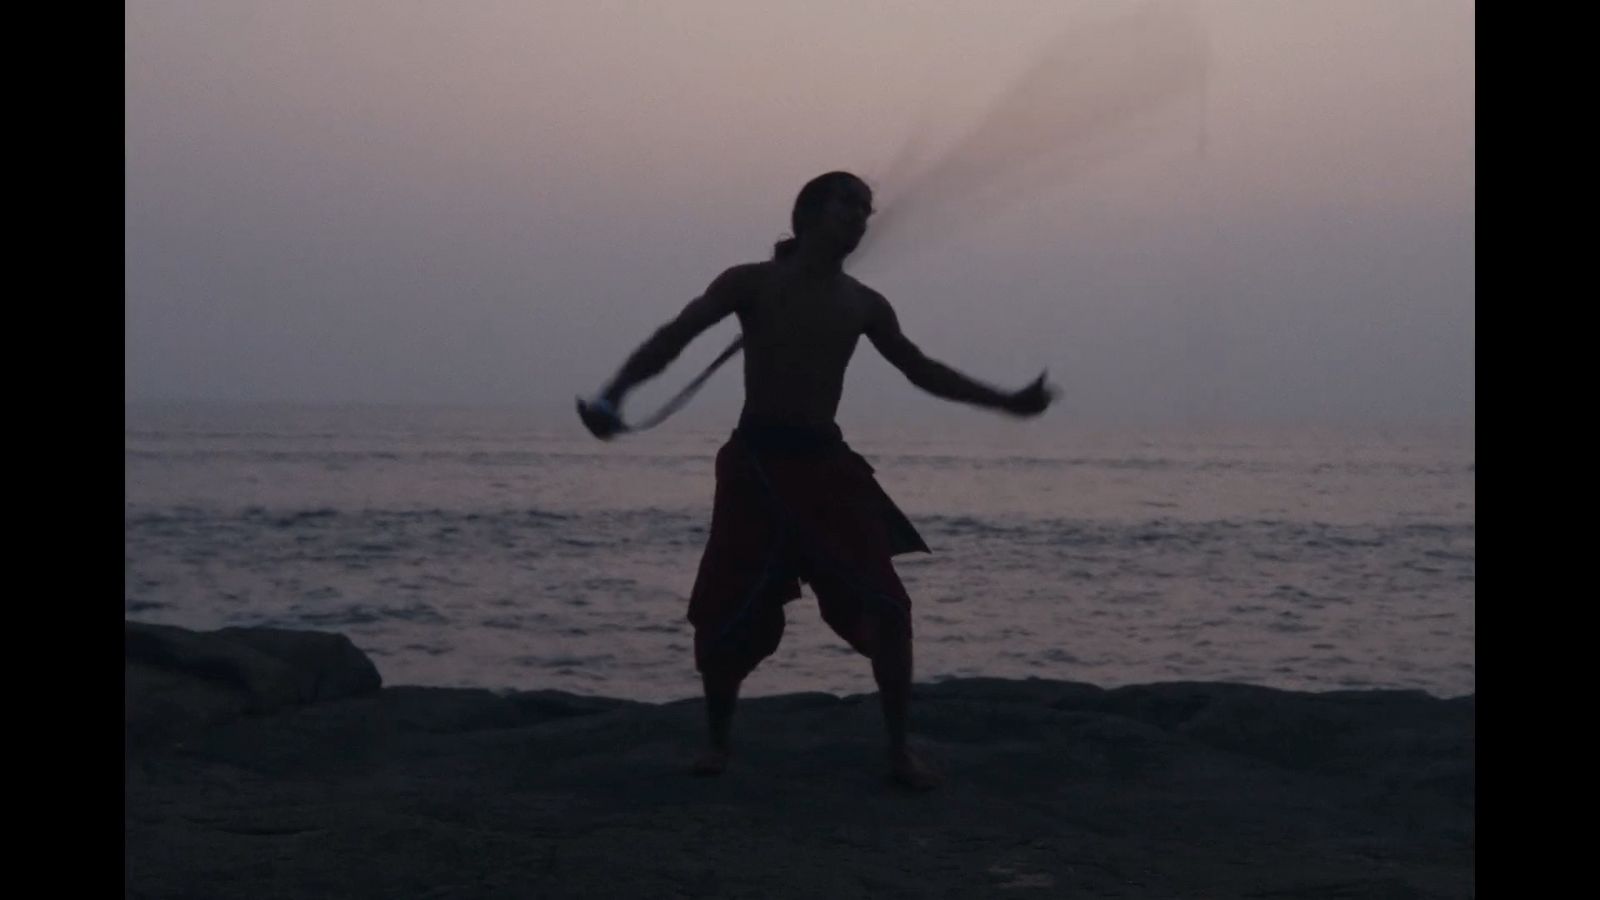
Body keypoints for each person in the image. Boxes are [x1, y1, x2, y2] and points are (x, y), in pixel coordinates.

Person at [582, 171, 1054, 789]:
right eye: (846, 203)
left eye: (865, 208)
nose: (858, 216)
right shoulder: (749, 282)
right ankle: (719, 745)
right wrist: (615, 393)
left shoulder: (864, 304)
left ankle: (898, 753)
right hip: (755, 467)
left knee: (887, 606)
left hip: (827, 468)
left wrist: (1004, 400)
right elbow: (675, 337)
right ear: (807, 212)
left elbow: (921, 370)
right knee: (723, 611)